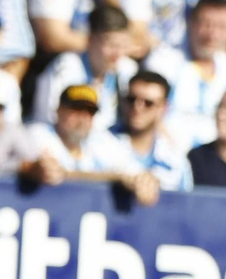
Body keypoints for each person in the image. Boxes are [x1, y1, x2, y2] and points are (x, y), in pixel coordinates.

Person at [28, 83, 161, 204]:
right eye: (76, 109)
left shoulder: (99, 141)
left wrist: (144, 181)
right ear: (59, 110)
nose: (82, 118)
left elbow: (135, 172)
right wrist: (116, 178)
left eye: (90, 111)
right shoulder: (39, 135)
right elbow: (57, 175)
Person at [160, 0, 226, 147]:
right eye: (206, 24)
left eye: (221, 27)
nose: (212, 34)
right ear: (191, 24)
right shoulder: (164, 62)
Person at [114, 69, 192, 191]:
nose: (138, 107)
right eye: (131, 99)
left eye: (148, 103)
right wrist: (118, 179)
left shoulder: (175, 160)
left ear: (163, 108)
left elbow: (187, 199)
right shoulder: (100, 142)